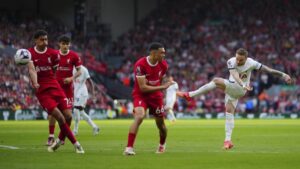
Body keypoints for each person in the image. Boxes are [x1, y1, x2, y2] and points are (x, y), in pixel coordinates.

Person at [177, 48, 292, 150]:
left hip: (240, 89)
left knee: (216, 80)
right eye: (237, 58)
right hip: (234, 88)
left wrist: (283, 75)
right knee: (229, 112)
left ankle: (190, 95)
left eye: (241, 60)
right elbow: (234, 74)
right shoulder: (231, 61)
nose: (238, 61)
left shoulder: (251, 63)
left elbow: (268, 70)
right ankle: (227, 141)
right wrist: (242, 84)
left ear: (246, 59)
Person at [27, 30, 84, 153]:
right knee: (58, 116)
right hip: (43, 90)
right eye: (42, 40)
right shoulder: (29, 53)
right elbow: (32, 70)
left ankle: (59, 140)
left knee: (68, 116)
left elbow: (53, 72)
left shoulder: (53, 54)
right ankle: (76, 144)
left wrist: (70, 78)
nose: (45, 42)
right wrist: (36, 83)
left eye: (46, 39)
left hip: (57, 87)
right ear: (36, 40)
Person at [123, 42, 174, 155]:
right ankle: (129, 148)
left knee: (161, 125)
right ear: (153, 53)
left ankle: (162, 144)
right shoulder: (140, 64)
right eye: (162, 53)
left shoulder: (164, 65)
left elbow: (159, 80)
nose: (164, 55)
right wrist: (162, 87)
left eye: (164, 53)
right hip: (141, 95)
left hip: (156, 96)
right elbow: (143, 88)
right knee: (139, 116)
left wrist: (160, 91)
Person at [73, 65, 99, 135]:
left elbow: (90, 81)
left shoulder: (84, 69)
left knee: (76, 109)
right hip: (77, 93)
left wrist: (93, 93)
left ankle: (75, 130)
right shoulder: (72, 68)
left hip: (82, 93)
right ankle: (95, 127)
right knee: (81, 112)